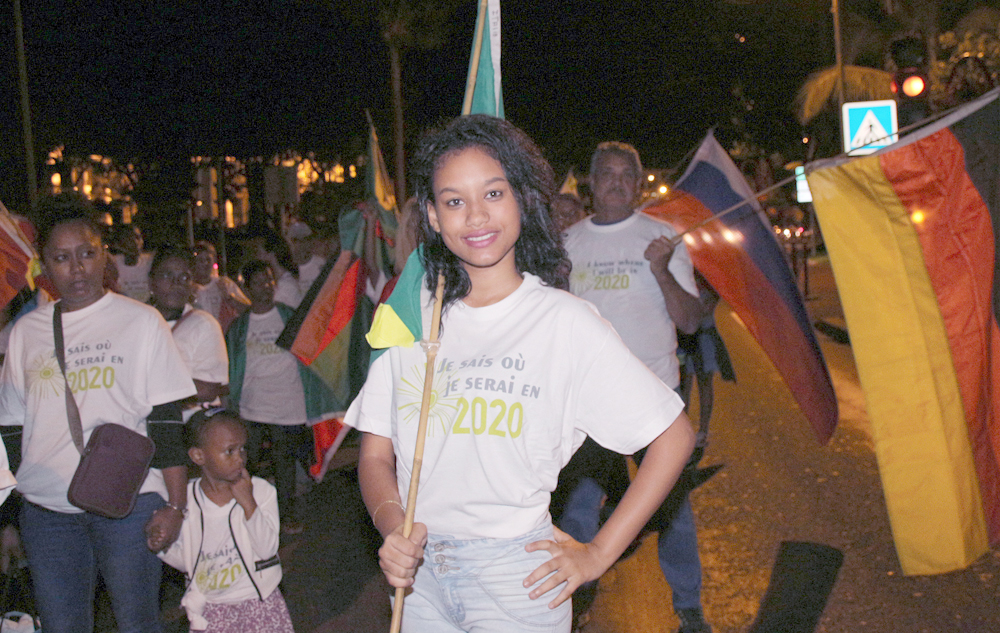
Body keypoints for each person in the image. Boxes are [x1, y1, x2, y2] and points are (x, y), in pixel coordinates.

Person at [346, 115, 694, 633]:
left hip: (516, 579)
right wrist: (392, 526)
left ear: (520, 201)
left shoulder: (564, 321)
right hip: (418, 582)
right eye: (454, 201)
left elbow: (673, 437)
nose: (476, 216)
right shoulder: (410, 316)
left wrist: (598, 554)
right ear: (435, 219)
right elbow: (376, 454)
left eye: (492, 193)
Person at [0, 195, 196, 633]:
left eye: (87, 253)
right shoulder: (24, 334)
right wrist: (9, 521)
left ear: (104, 254)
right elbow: (11, 432)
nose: (77, 268)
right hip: (46, 511)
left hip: (128, 503)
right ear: (43, 266)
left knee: (137, 623)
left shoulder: (142, 322)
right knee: (62, 625)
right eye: (62, 258)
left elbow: (165, 422)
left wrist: (176, 506)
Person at [561, 141, 712, 633]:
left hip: (656, 399)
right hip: (588, 405)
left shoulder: (665, 238)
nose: (617, 182)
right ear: (592, 181)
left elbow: (689, 322)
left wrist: (661, 270)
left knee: (671, 508)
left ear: (639, 182)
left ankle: (688, 606)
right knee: (579, 509)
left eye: (627, 174)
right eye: (607, 173)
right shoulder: (570, 244)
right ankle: (571, 603)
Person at [226, 260, 338, 535]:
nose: (266, 288)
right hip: (252, 406)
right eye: (259, 283)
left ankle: (284, 516)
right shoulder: (239, 327)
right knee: (247, 463)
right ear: (246, 287)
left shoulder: (290, 316)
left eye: (269, 281)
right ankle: (246, 515)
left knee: (283, 463)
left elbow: (313, 346)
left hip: (288, 405)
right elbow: (232, 364)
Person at [159, 409, 294, 632]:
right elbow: (189, 560)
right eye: (229, 451)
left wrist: (249, 504)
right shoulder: (186, 501)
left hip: (259, 601)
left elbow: (267, 549)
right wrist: (163, 547)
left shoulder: (260, 492)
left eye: (242, 449)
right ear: (198, 456)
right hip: (212, 608)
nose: (240, 458)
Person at [148, 246, 229, 423]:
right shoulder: (139, 324)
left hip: (190, 428)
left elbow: (208, 389)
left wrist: (147, 387)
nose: (176, 283)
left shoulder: (203, 324)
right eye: (167, 275)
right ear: (151, 282)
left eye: (184, 277)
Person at [677, 269, 735, 459]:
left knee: (703, 383)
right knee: (684, 385)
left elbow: (713, 299)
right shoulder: (682, 274)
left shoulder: (708, 276)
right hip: (684, 338)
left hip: (703, 336)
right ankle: (682, 433)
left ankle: (702, 431)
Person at [192, 240, 250, 332]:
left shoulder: (224, 283)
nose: (205, 264)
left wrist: (229, 298)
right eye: (201, 260)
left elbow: (248, 310)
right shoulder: (189, 288)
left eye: (208, 260)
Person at [254, 229, 302, 308]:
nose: (257, 255)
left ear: (271, 254)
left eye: (259, 251)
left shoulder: (286, 286)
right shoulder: (277, 282)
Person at [109, 223, 154, 302]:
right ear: (119, 243)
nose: (135, 242)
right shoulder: (113, 264)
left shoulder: (150, 262)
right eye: (129, 238)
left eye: (138, 237)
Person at [286, 221, 326, 297]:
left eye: (304, 239)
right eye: (296, 240)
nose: (301, 244)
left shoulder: (321, 263)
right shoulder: (287, 267)